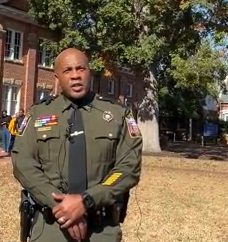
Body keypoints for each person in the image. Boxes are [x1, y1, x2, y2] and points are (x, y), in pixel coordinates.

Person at [11, 48, 142, 242]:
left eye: (80, 69)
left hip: (100, 228)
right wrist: (60, 207)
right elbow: (23, 163)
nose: (75, 76)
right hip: (51, 226)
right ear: (57, 76)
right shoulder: (38, 114)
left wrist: (87, 201)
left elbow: (128, 167)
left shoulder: (117, 115)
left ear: (89, 72)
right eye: (67, 70)